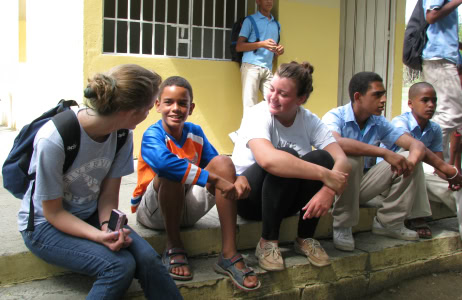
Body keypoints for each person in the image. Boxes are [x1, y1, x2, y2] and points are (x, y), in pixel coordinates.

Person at [18, 64, 182, 299]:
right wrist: (98, 237)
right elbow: (53, 213)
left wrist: (109, 228)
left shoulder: (123, 134)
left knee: (148, 260)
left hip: (90, 213)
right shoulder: (54, 139)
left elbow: (107, 197)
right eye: (147, 108)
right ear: (131, 111)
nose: (149, 114)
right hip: (44, 226)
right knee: (119, 266)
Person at [131, 76, 260, 291]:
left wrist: (238, 178)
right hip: (154, 214)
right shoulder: (152, 134)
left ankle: (229, 254)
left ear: (191, 108)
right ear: (157, 105)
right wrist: (216, 179)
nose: (175, 108)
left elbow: (219, 166)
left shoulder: (195, 132)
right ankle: (173, 245)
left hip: (186, 208)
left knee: (224, 162)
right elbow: (164, 165)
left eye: (182, 103)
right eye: (169, 102)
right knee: (172, 171)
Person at [231, 61, 350, 271]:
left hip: (285, 201)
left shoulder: (309, 120)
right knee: (286, 156)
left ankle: (305, 238)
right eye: (272, 89)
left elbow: (341, 160)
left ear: (301, 99)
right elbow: (268, 160)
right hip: (250, 198)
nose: (272, 97)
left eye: (283, 94)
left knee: (322, 157)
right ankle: (267, 242)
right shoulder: (257, 114)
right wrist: (326, 176)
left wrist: (329, 190)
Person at [322, 72, 428, 252]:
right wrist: (383, 152)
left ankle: (388, 222)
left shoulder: (378, 122)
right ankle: (342, 225)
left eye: (384, 94)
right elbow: (335, 142)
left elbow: (415, 145)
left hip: (361, 187)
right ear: (358, 97)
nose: (384, 99)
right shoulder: (335, 116)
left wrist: (411, 161)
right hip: (332, 188)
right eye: (377, 94)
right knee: (351, 158)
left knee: (408, 157)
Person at [378, 82, 462, 238]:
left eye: (434, 100)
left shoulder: (435, 129)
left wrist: (451, 179)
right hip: (392, 178)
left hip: (415, 177)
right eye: (425, 100)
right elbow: (415, 149)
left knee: (455, 190)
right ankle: (417, 217)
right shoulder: (400, 122)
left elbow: (439, 166)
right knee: (413, 154)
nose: (431, 105)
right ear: (410, 103)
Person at [421, 0, 462, 160]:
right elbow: (431, 16)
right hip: (439, 59)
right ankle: (437, 167)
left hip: (444, 58)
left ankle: (439, 167)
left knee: (449, 114)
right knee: (449, 115)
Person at [236, 0, 284, 113]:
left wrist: (279, 50)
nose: (269, 1)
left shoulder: (276, 24)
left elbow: (273, 48)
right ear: (258, 1)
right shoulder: (250, 20)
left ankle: (267, 129)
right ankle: (249, 130)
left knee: (274, 104)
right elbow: (239, 46)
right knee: (249, 106)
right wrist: (261, 44)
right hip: (251, 66)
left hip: (268, 68)